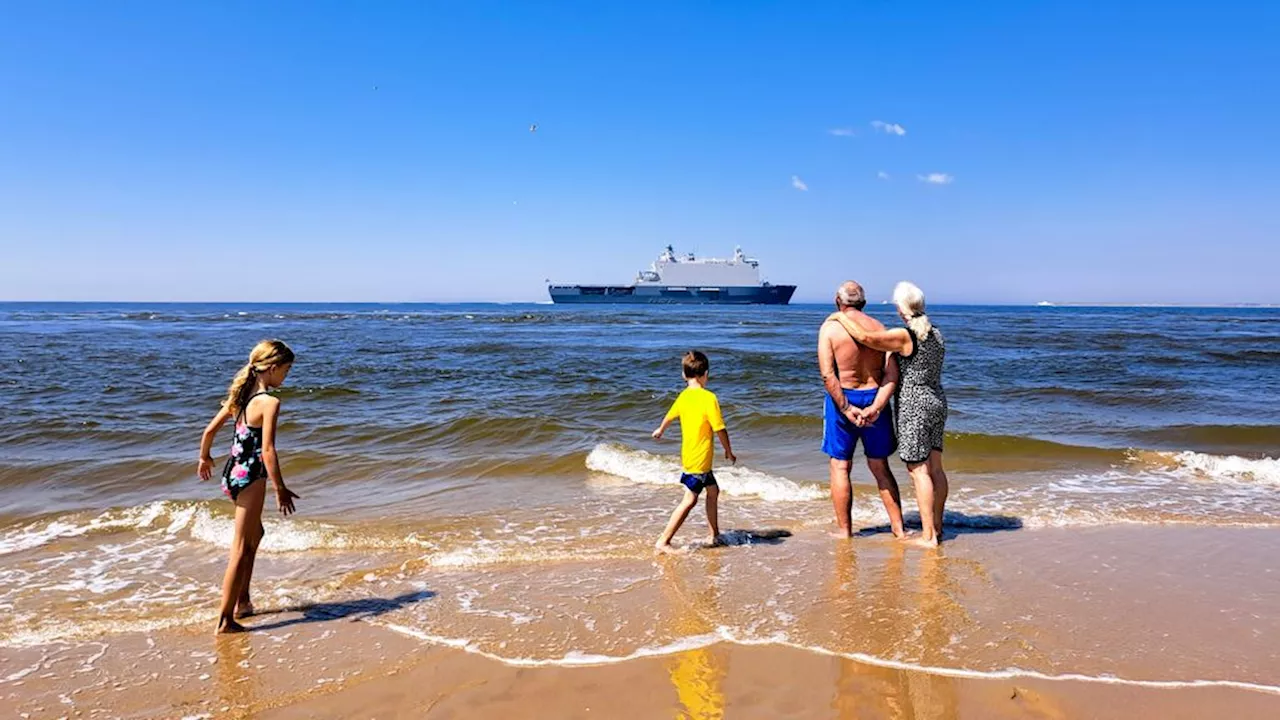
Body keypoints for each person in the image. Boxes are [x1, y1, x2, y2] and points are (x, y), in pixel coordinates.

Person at [828, 282, 949, 548]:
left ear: (901, 307)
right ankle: (936, 527)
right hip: (937, 401)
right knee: (936, 468)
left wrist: (839, 316)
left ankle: (929, 536)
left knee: (919, 471)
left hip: (914, 404)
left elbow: (867, 339)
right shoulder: (937, 333)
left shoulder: (905, 336)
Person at [198, 339, 300, 633]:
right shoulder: (269, 402)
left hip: (232, 475)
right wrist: (280, 487)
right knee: (241, 547)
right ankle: (225, 620)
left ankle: (243, 602)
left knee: (256, 534)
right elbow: (268, 449)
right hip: (251, 477)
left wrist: (204, 458)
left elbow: (209, 431)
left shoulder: (240, 399)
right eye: (286, 370)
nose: (286, 377)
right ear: (272, 368)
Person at [818, 282, 906, 538]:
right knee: (880, 467)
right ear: (864, 303)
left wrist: (845, 408)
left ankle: (845, 531)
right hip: (875, 396)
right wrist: (877, 406)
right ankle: (899, 529)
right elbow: (892, 373)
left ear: (838, 300)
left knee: (840, 467)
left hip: (843, 397)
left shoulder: (830, 328)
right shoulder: (879, 328)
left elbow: (827, 374)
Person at [651, 350, 736, 553]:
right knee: (690, 500)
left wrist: (660, 430)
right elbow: (720, 429)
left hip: (695, 458)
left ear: (684, 375)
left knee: (713, 491)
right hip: (699, 460)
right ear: (705, 373)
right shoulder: (708, 398)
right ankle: (663, 541)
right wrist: (729, 451)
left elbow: (670, 415)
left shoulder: (684, 396)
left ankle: (714, 534)